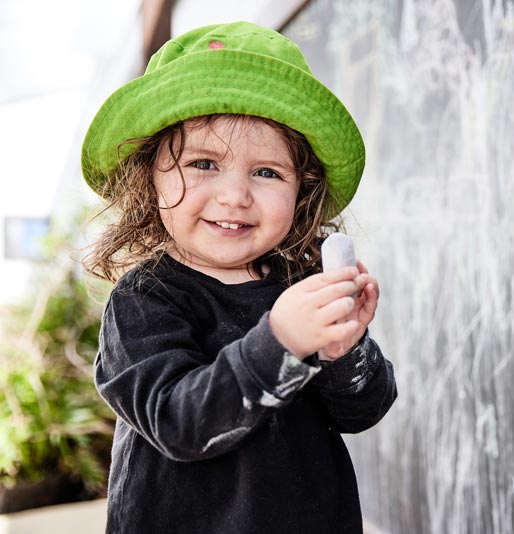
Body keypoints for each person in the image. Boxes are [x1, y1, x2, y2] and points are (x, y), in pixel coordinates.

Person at [80, 21, 397, 534]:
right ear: (149, 177)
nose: (235, 195)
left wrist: (346, 351)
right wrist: (282, 341)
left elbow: (362, 411)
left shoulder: (301, 283)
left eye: (267, 172)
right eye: (203, 163)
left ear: (303, 191)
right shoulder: (143, 300)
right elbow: (179, 423)